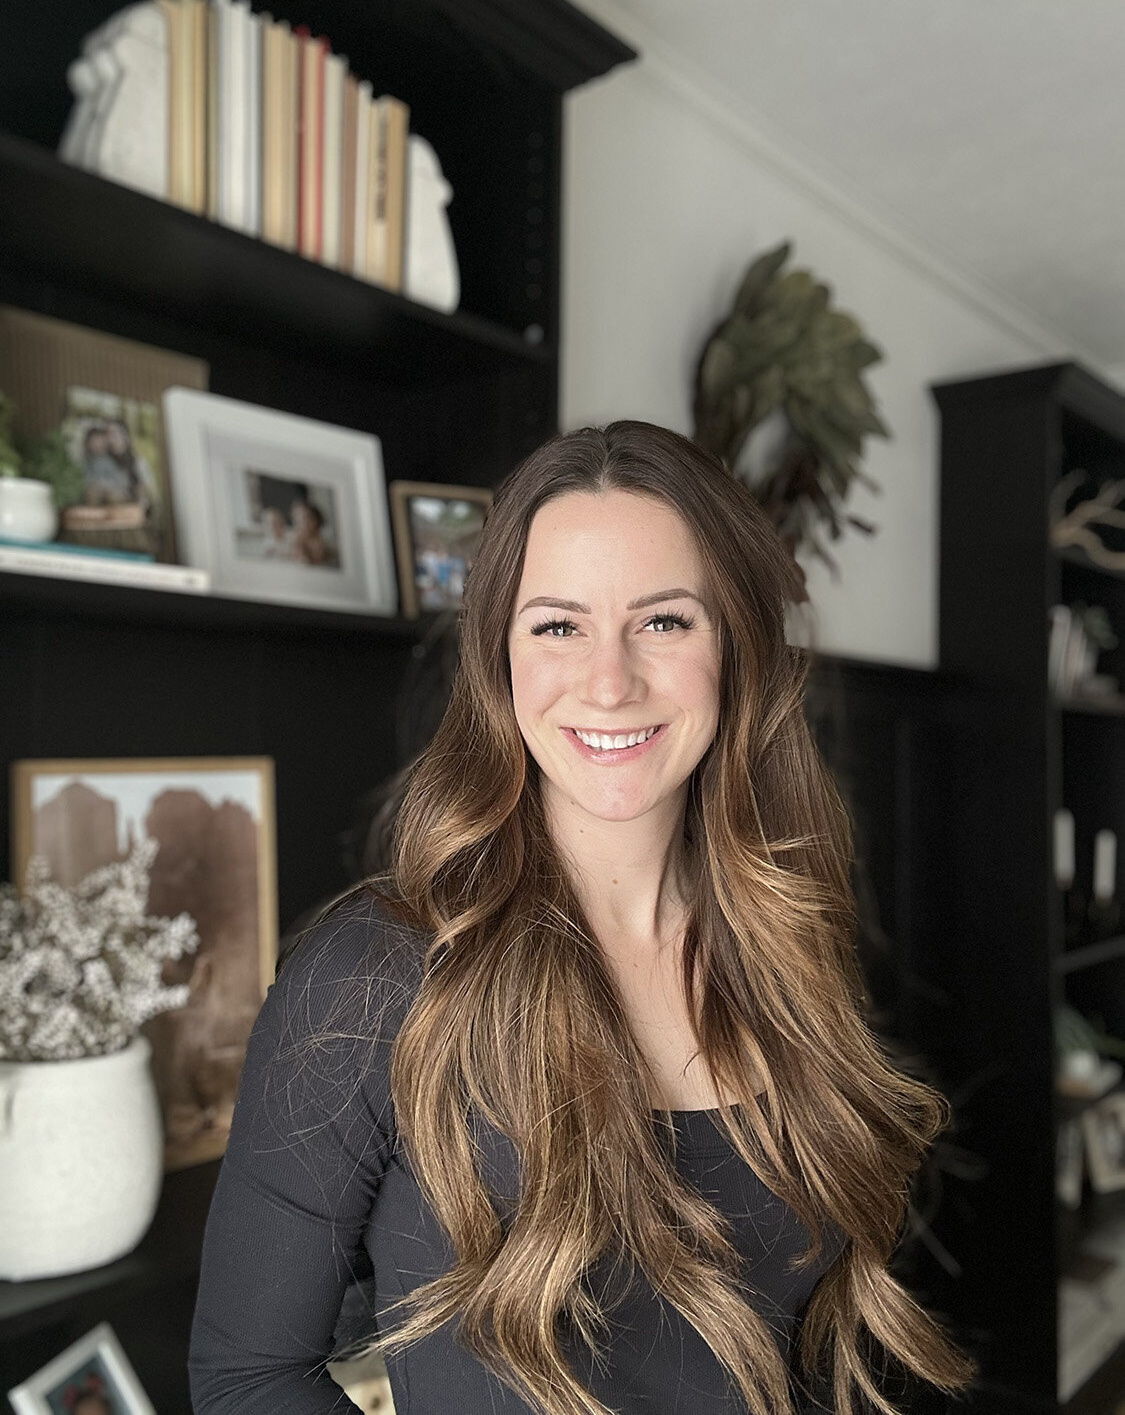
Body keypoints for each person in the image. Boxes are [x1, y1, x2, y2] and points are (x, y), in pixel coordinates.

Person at [188, 421, 976, 1414]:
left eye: (663, 622)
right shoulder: (375, 974)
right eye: (559, 625)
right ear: (499, 659)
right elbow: (247, 1377)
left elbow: (803, 1343)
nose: (610, 681)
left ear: (733, 646)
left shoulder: (778, 941)